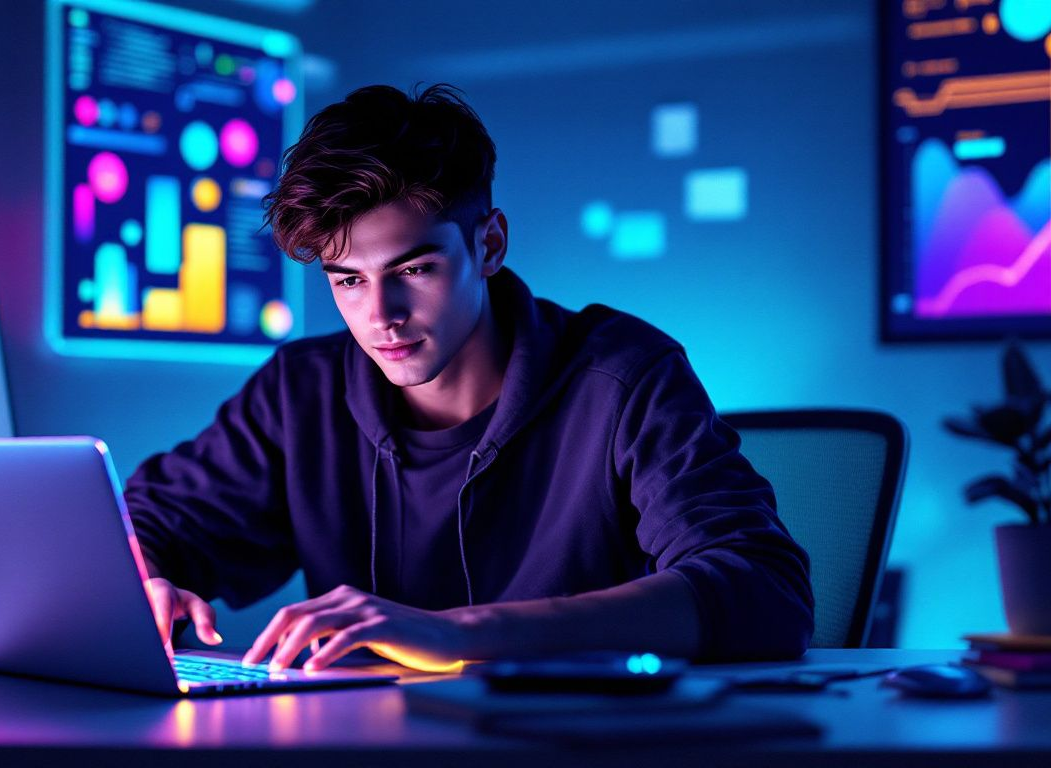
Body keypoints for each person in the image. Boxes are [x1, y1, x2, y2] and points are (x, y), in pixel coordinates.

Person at [125, 84, 813, 673]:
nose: (381, 317)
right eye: (347, 281)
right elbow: (154, 524)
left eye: (412, 270)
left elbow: (763, 590)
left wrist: (459, 633)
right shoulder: (297, 393)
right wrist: (144, 577)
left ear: (488, 245)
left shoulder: (623, 376)